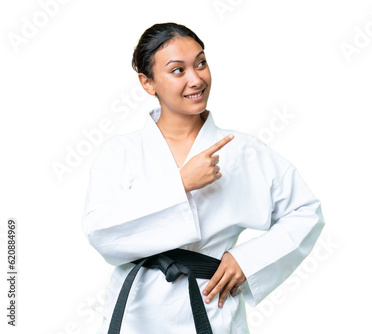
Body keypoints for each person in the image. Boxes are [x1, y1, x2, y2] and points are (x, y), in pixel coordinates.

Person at [82, 22, 325, 334]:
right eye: (178, 70)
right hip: (136, 313)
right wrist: (180, 183)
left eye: (201, 63)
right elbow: (99, 230)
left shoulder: (244, 151)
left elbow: (306, 212)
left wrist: (247, 260)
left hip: (212, 306)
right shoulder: (121, 152)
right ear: (147, 82)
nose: (196, 79)